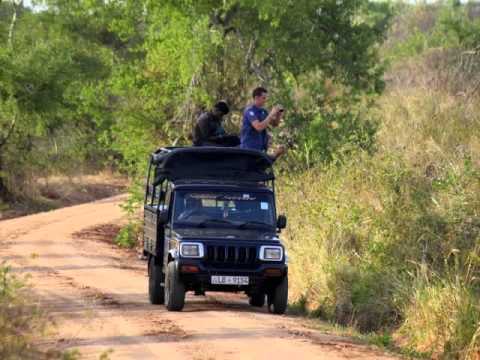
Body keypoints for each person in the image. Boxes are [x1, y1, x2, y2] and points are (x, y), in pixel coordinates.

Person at [240, 87, 286, 160]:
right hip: (249, 149)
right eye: (263, 98)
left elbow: (275, 124)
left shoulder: (263, 111)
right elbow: (258, 127)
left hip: (260, 149)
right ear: (256, 98)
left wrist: (278, 115)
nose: (265, 100)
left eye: (266, 98)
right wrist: (271, 114)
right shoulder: (249, 111)